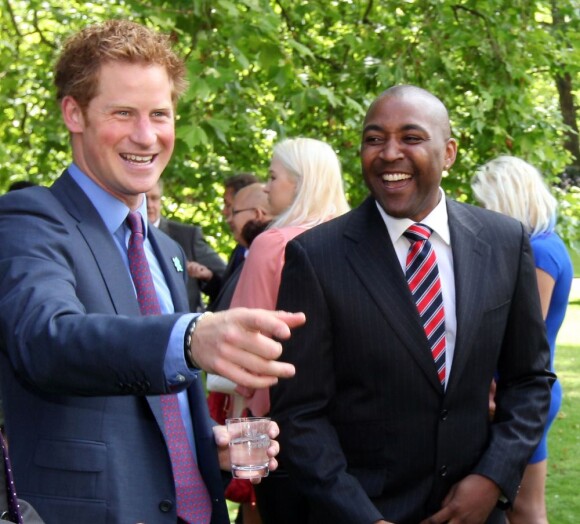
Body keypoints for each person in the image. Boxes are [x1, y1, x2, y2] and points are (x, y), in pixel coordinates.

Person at [0, 20, 304, 524]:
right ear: (74, 113)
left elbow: (149, 411)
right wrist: (191, 339)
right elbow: (45, 339)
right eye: (123, 113)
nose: (146, 136)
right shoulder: (30, 219)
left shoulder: (164, 250)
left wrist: (207, 448)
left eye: (159, 115)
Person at [270, 85, 555, 524]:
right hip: (363, 509)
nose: (389, 153)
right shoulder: (317, 257)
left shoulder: (503, 241)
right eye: (374, 138)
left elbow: (529, 379)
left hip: (474, 510)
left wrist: (492, 478)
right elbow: (301, 413)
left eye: (411, 137)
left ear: (449, 152)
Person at [230, 137, 350, 523]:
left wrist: (242, 433)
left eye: (272, 176)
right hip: (352, 426)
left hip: (278, 429)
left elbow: (244, 348)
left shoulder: (272, 245)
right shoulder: (360, 243)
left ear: (300, 183)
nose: (265, 187)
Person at [471, 155, 573, 524]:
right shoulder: (543, 244)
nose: (482, 213)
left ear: (506, 201)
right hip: (521, 390)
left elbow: (524, 335)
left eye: (486, 204)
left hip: (523, 394)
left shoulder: (541, 252)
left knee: (525, 509)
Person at [207, 182, 274, 524]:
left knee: (259, 495)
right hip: (235, 399)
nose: (228, 220)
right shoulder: (241, 255)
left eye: (234, 212)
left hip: (258, 404)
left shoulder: (273, 251)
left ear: (258, 215)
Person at [146, 179, 227, 311]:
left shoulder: (187, 236)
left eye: (154, 198)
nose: (149, 205)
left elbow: (225, 280)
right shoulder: (122, 234)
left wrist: (207, 277)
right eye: (144, 199)